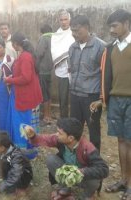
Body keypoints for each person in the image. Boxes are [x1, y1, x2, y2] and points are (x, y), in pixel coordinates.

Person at [92, 9, 131, 199]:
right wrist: (103, 99)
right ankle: (124, 180)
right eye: (110, 27)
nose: (112, 30)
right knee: (121, 141)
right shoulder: (110, 48)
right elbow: (106, 76)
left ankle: (130, 184)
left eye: (115, 26)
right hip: (115, 100)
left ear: (126, 23)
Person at [25, 118, 109, 200]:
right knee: (51, 160)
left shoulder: (87, 148)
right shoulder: (60, 139)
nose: (57, 134)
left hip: (82, 178)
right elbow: (45, 139)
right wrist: (33, 136)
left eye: (60, 133)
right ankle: (65, 189)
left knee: (94, 181)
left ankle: (87, 195)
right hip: (68, 173)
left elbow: (104, 169)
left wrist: (80, 172)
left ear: (71, 138)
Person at [68, 15, 105, 151]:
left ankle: (95, 163)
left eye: (78, 31)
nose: (74, 34)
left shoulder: (100, 47)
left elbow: (104, 75)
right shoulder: (72, 47)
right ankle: (76, 158)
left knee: (93, 131)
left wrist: (101, 98)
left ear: (87, 28)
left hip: (91, 97)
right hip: (75, 94)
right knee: (74, 130)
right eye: (72, 31)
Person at [4, 32, 42, 159]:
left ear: (15, 44)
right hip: (26, 94)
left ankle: (25, 150)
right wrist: (13, 77)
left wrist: (10, 80)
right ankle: (28, 148)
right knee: (27, 122)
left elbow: (26, 78)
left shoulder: (25, 56)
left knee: (23, 122)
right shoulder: (26, 55)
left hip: (25, 96)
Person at [0, 132, 32, 196]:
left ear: (2, 148)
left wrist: (0, 187)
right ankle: (6, 184)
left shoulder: (17, 156)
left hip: (22, 176)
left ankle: (22, 188)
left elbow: (15, 175)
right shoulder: (0, 151)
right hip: (10, 173)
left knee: (10, 191)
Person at [51, 9, 75, 118]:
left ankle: (75, 120)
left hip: (75, 70)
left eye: (66, 19)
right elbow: (55, 51)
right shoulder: (56, 35)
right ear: (59, 21)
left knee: (76, 97)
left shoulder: (74, 32)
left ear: (69, 20)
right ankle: (64, 120)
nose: (64, 22)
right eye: (61, 20)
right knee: (63, 97)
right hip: (62, 71)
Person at [36, 24, 54, 124]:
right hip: (49, 69)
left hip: (42, 70)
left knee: (44, 93)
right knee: (48, 92)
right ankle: (49, 114)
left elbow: (39, 53)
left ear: (42, 32)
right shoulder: (54, 38)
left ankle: (46, 116)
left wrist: (35, 65)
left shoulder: (43, 38)